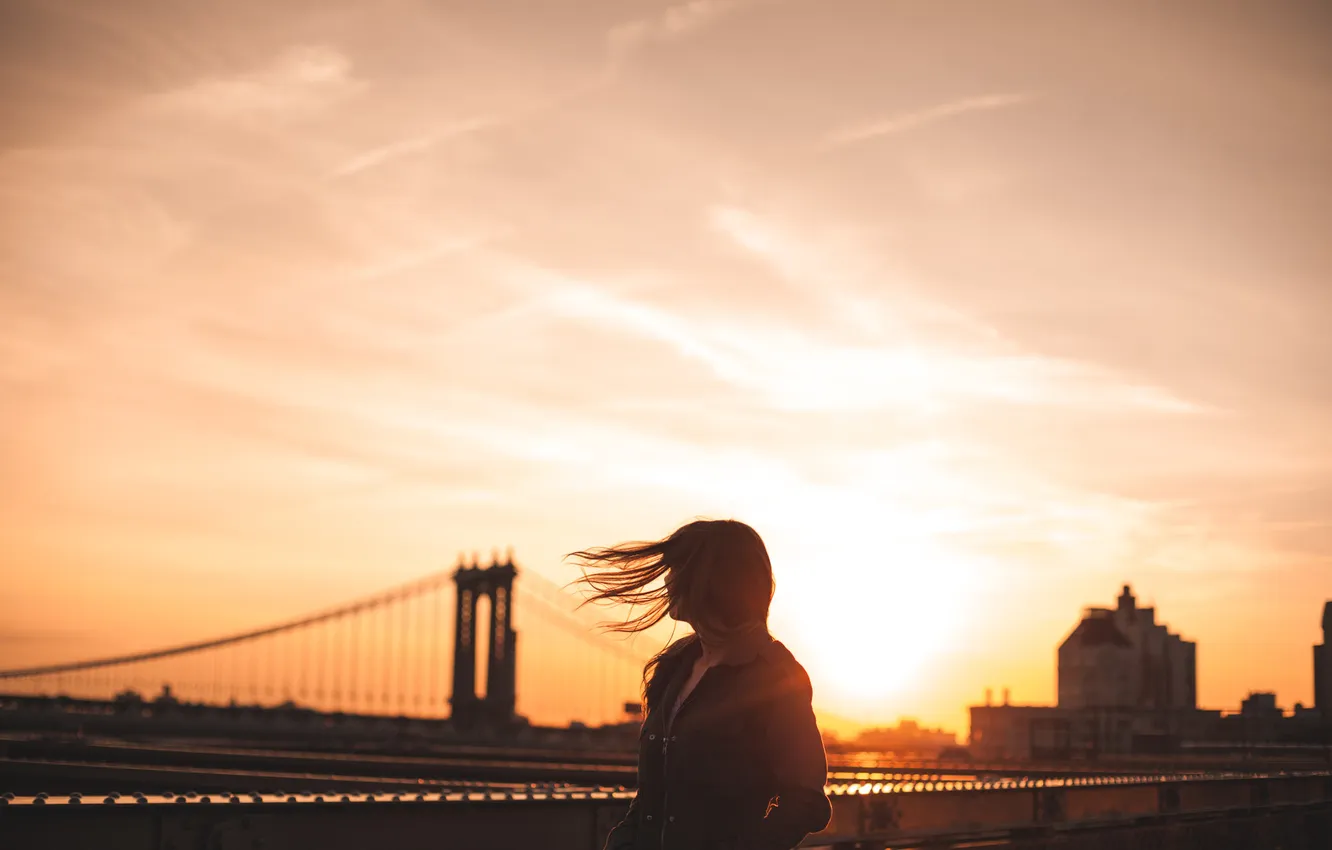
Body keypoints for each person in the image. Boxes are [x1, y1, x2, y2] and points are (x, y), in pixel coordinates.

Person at [571, 519, 832, 850]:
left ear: (716, 583)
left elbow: (805, 799)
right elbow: (653, 796)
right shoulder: (673, 666)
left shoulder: (774, 676)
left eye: (678, 570)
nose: (667, 582)